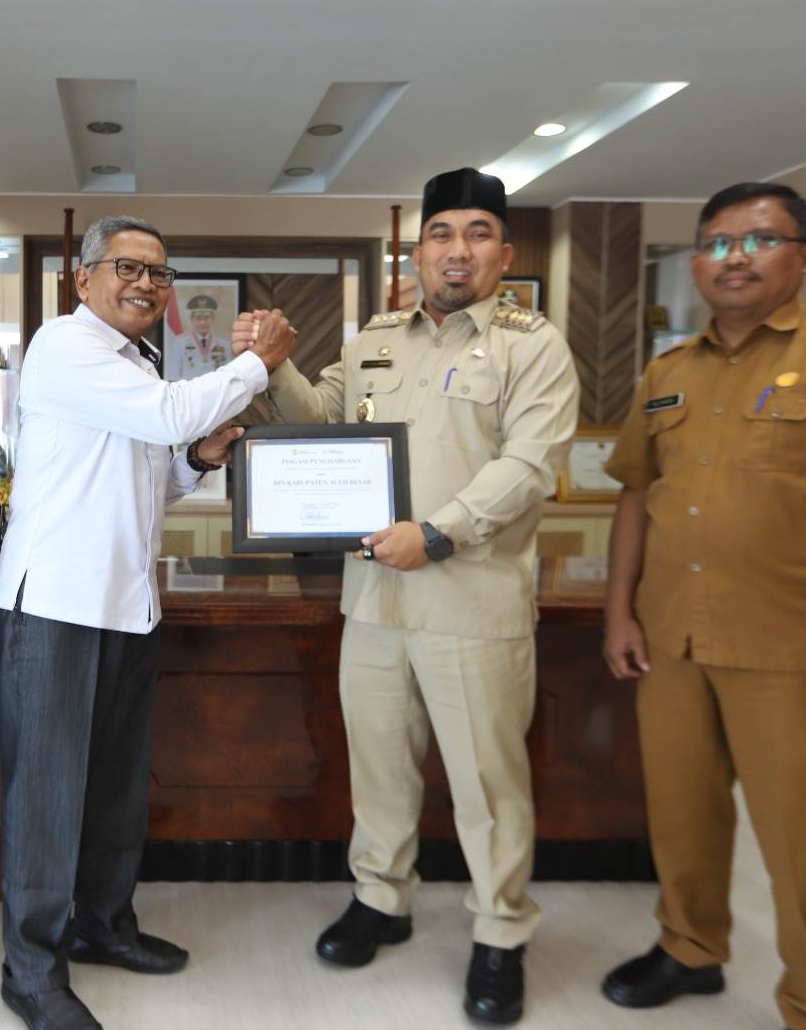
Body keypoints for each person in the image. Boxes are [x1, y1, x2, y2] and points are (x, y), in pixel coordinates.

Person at [238, 167, 578, 1025]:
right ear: (418, 251)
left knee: (488, 784)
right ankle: (380, 900)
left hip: (472, 604)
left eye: (477, 233)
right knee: (380, 769)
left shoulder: (532, 345)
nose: (457, 249)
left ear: (504, 252)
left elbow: (530, 465)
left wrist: (437, 532)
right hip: (375, 602)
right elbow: (323, 419)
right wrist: (274, 368)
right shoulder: (377, 338)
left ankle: (500, 931)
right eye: (441, 234)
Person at [598, 181, 806, 1030]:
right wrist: (619, 612)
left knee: (804, 843)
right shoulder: (669, 370)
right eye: (716, 243)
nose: (735, 258)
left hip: (792, 650)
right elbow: (638, 494)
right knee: (682, 817)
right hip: (673, 640)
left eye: (759, 240)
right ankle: (690, 947)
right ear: (697, 263)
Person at [0, 215, 296, 1030]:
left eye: (159, 274)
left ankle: (102, 924)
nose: (146, 284)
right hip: (55, 607)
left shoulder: (138, 362)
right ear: (83, 278)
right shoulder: (65, 345)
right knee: (47, 797)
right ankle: (31, 971)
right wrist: (257, 364)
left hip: (127, 604)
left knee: (115, 788)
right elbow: (167, 417)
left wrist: (196, 461)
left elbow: (149, 477)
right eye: (127, 267)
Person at [173, 293, 233, 378]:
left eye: (206, 318)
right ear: (191, 319)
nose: (203, 322)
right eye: (198, 318)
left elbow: (228, 375)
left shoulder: (225, 345)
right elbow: (174, 375)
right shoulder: (180, 344)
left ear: (213, 318)